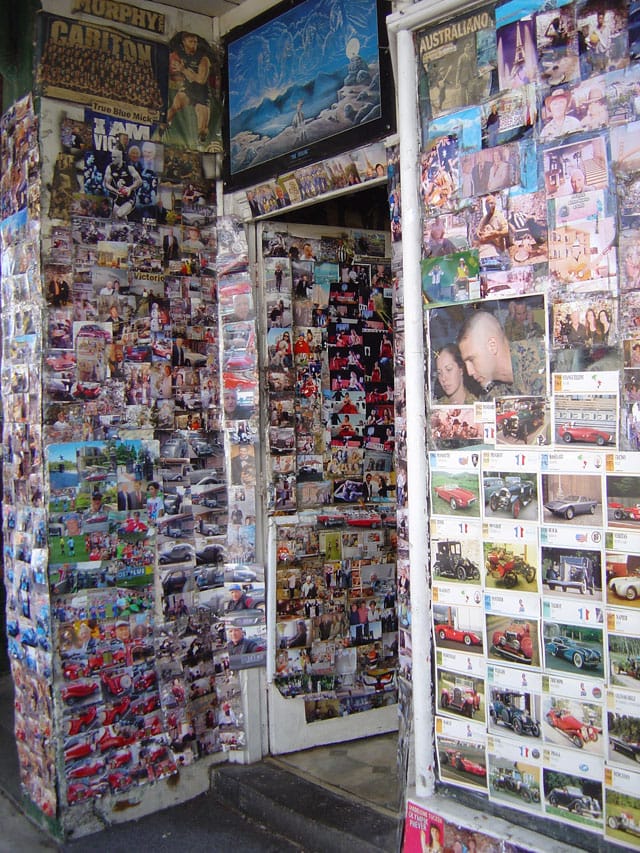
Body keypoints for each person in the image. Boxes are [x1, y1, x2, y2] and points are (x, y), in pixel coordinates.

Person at [457, 309, 546, 398]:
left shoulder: (541, 359)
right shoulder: (491, 389)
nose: (469, 372)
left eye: (471, 360)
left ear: (492, 346)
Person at [166, 32, 213, 145]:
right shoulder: (179, 54)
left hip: (201, 93)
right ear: (184, 42)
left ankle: (200, 145)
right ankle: (163, 128)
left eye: (195, 42)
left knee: (202, 128)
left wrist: (184, 70)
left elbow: (201, 79)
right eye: (191, 42)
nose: (193, 45)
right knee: (174, 107)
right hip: (188, 88)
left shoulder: (203, 59)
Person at [103, 146, 142, 219]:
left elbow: (139, 181)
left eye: (115, 157)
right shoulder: (110, 168)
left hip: (129, 198)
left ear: (120, 157)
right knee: (115, 218)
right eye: (112, 157)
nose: (112, 159)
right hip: (119, 197)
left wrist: (130, 188)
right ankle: (127, 229)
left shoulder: (129, 167)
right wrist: (116, 191)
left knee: (119, 214)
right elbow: (106, 184)